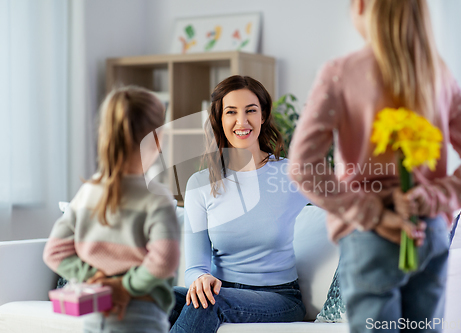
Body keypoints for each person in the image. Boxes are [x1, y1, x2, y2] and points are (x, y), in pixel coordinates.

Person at [289, 0, 461, 332]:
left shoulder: (340, 73)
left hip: (370, 237)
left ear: (359, 6)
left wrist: (371, 214)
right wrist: (430, 200)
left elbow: (302, 166)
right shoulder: (438, 75)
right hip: (427, 233)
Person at [169, 75, 309, 333]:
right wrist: (201, 279)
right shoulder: (200, 184)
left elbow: (349, 199)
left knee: (209, 303)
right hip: (222, 288)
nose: (241, 121)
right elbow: (195, 267)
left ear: (263, 115)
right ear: (220, 119)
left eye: (251, 111)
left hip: (279, 298)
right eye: (231, 112)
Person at [43, 86, 180, 333]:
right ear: (158, 140)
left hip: (96, 314)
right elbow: (164, 261)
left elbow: (53, 252)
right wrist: (123, 287)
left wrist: (100, 283)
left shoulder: (87, 192)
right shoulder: (157, 199)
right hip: (143, 316)